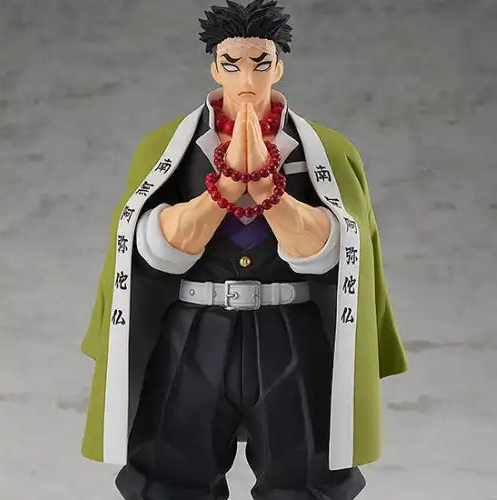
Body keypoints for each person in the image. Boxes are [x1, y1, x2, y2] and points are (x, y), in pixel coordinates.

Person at [79, 1, 408, 499]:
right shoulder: (169, 146)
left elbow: (339, 250)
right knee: (168, 474)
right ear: (215, 68)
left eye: (261, 63)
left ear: (279, 67)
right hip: (194, 330)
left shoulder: (325, 150)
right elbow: (148, 247)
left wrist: (272, 192)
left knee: (306, 476)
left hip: (289, 331)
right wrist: (225, 189)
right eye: (232, 64)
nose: (248, 79)